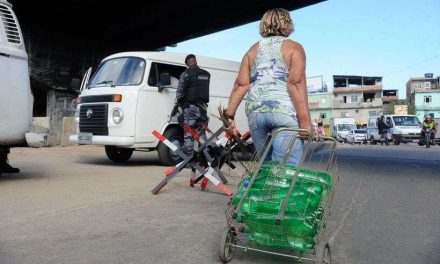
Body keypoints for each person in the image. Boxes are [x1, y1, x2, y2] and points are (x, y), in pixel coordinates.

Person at [224, 8, 312, 165]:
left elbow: (241, 85)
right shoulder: (294, 48)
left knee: (265, 167)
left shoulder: (252, 50)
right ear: (288, 23)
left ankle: (266, 188)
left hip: (256, 114)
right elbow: (295, 83)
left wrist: (229, 116)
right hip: (284, 112)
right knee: (285, 170)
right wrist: (305, 122)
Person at [176, 54, 211, 156]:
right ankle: (205, 155)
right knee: (201, 131)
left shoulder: (186, 74)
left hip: (190, 107)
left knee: (189, 131)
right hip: (203, 108)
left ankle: (189, 156)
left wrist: (179, 102)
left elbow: (179, 92)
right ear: (196, 61)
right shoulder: (206, 74)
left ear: (187, 63)